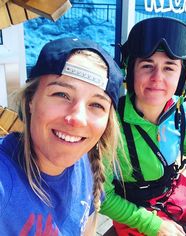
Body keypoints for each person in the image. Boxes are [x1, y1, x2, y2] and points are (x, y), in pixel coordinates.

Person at [100, 17, 186, 236]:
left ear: (181, 76)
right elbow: (102, 197)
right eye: (147, 66)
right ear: (131, 71)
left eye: (169, 68)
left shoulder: (183, 110)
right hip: (134, 209)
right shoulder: (110, 123)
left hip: (169, 194)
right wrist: (152, 224)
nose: (157, 78)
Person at [0, 37, 123, 235]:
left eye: (96, 105)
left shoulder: (88, 164)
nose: (77, 119)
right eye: (61, 95)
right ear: (31, 100)